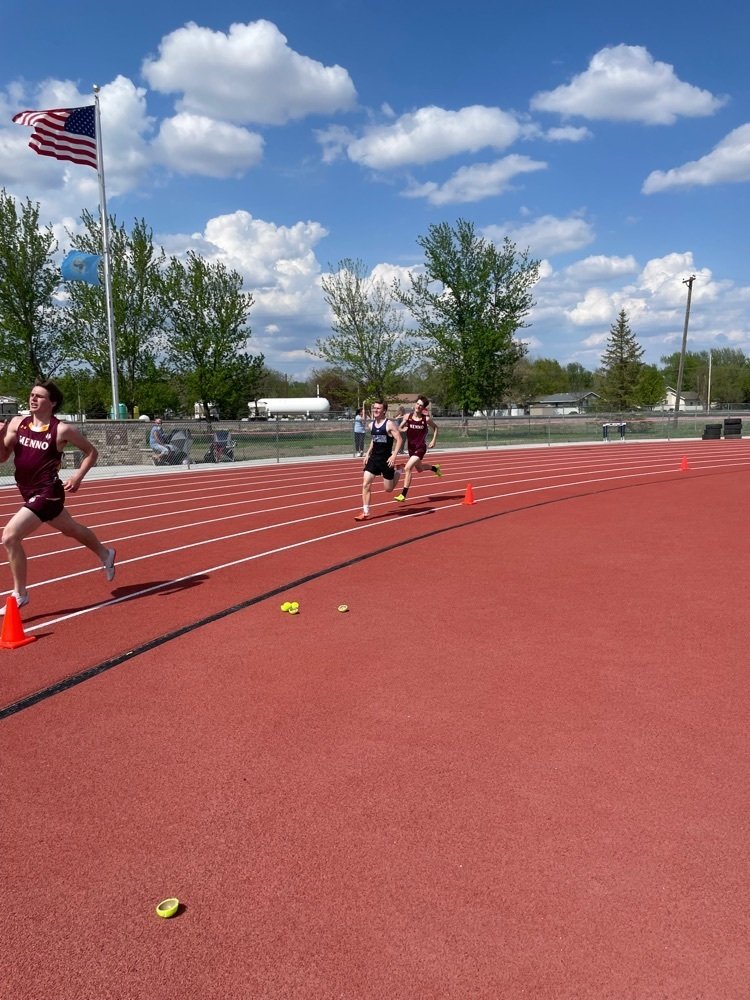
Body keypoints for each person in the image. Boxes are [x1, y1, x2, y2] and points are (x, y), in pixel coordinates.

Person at [0, 380, 116, 612]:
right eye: (32, 395)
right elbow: (2, 457)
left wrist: (77, 477)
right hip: (27, 490)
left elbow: (91, 452)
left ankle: (20, 594)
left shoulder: (61, 429)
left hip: (48, 492)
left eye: (39, 396)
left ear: (52, 402)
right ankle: (106, 553)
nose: (33, 399)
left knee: (10, 537)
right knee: (70, 528)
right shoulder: (17, 423)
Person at [354, 399, 403, 521]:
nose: (375, 410)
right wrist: (367, 454)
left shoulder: (389, 424)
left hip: (386, 461)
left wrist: (394, 456)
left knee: (388, 489)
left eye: (378, 408)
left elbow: (400, 440)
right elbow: (374, 440)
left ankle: (399, 471)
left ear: (384, 411)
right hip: (374, 459)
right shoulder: (371, 425)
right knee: (366, 484)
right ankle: (365, 512)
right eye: (374, 408)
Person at [394, 395, 442, 502]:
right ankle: (435, 468)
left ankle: (403, 495)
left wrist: (434, 440)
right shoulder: (408, 417)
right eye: (417, 404)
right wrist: (403, 429)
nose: (418, 406)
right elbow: (399, 427)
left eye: (421, 405)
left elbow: (436, 427)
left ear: (423, 408)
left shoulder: (426, 419)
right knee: (419, 469)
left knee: (407, 468)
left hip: (420, 448)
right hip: (411, 448)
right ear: (415, 404)